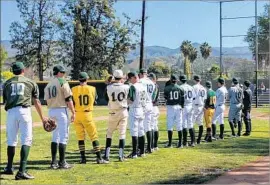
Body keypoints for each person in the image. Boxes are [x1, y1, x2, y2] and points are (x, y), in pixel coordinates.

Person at [2, 62, 47, 180]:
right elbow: (36, 101)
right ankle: (21, 171)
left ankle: (9, 167)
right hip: (24, 111)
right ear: (23, 70)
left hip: (11, 112)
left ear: (13, 71)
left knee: (11, 140)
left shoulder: (7, 83)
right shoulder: (30, 82)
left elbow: (5, 101)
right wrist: (43, 118)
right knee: (26, 139)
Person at [71, 72, 107, 164]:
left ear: (79, 79)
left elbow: (72, 102)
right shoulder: (92, 88)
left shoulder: (73, 89)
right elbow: (95, 101)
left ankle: (83, 158)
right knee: (93, 136)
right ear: (87, 79)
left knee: (80, 137)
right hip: (87, 114)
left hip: (77, 114)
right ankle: (99, 158)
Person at [44, 65, 75, 169]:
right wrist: (73, 112)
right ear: (59, 73)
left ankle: (53, 163)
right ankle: (62, 163)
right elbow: (68, 99)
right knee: (63, 136)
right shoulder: (62, 82)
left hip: (51, 110)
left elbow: (46, 100)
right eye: (63, 72)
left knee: (55, 136)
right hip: (62, 109)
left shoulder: (48, 84)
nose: (64, 74)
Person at [103, 70, 130, 162]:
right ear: (122, 77)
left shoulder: (109, 87)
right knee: (122, 134)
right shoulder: (127, 87)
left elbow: (106, 98)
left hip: (113, 112)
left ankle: (106, 155)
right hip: (123, 111)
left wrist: (109, 82)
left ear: (114, 77)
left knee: (109, 133)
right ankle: (120, 156)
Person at [127, 72, 147, 158]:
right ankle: (142, 152)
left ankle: (134, 153)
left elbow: (131, 100)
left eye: (130, 79)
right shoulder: (143, 86)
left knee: (134, 131)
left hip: (134, 109)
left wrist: (126, 102)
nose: (130, 81)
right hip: (141, 109)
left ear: (133, 78)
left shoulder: (133, 87)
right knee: (141, 131)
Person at [164, 75, 184, 148]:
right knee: (179, 124)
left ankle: (170, 143)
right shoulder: (180, 88)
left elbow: (166, 97)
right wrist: (182, 106)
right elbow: (182, 99)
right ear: (176, 80)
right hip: (178, 107)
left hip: (170, 107)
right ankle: (180, 143)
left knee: (170, 125)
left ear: (171, 80)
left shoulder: (167, 88)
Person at [139, 68, 155, 153]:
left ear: (141, 74)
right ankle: (150, 147)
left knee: (140, 126)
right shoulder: (151, 82)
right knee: (148, 126)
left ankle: (140, 148)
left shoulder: (141, 81)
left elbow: (140, 94)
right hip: (150, 103)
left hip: (143, 104)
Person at [179, 75, 196, 147]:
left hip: (184, 106)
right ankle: (193, 142)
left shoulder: (180, 87)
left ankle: (185, 142)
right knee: (190, 124)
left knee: (184, 124)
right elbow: (194, 97)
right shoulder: (191, 87)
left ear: (180, 80)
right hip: (191, 106)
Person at [192, 75, 207, 144]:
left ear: (194, 80)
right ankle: (198, 140)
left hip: (195, 106)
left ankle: (193, 141)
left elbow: (193, 97)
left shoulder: (194, 87)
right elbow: (205, 98)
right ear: (200, 80)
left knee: (191, 124)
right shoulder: (203, 88)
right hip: (201, 106)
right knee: (200, 123)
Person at [148, 73, 160, 151]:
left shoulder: (154, 85)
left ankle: (152, 146)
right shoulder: (155, 85)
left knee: (152, 126)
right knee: (155, 126)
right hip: (155, 107)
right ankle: (155, 145)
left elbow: (153, 98)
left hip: (153, 106)